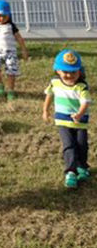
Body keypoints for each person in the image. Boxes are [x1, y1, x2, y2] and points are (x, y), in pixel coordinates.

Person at [43, 49, 91, 188]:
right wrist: (45, 110)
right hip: (63, 121)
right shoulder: (55, 83)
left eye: (73, 72)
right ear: (57, 70)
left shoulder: (81, 87)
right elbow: (49, 95)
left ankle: (82, 167)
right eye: (65, 72)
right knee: (69, 145)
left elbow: (85, 102)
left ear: (79, 72)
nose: (69, 75)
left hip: (79, 122)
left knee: (82, 145)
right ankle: (70, 171)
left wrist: (79, 114)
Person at [0, 0, 29, 101]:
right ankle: (0, 84)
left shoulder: (11, 26)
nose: (2, 18)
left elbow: (19, 38)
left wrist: (24, 50)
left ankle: (11, 90)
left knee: (11, 72)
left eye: (4, 16)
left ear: (9, 15)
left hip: (10, 52)